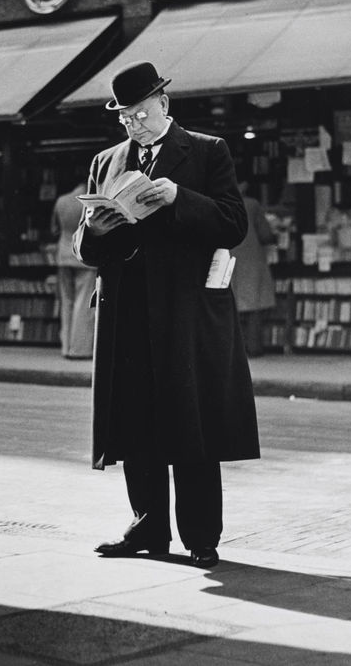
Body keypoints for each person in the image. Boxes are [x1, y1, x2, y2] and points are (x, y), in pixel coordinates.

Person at [73, 61, 260, 569]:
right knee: (136, 420)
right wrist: (98, 228)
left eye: (139, 114)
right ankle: (146, 528)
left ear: (163, 105)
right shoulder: (106, 161)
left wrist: (181, 197)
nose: (132, 124)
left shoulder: (205, 151)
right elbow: (85, 249)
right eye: (124, 118)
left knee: (192, 421)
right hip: (128, 310)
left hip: (185, 311)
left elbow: (233, 222)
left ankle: (201, 536)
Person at [50, 181, 96, 359]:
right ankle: (79, 348)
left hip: (63, 254)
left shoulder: (61, 201)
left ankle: (65, 346)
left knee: (67, 301)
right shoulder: (88, 200)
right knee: (83, 302)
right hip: (83, 255)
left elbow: (54, 228)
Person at [231, 182, 277, 357]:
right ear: (243, 184)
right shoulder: (252, 204)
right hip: (250, 258)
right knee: (254, 306)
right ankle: (254, 348)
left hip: (226, 259)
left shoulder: (216, 201)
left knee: (231, 307)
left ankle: (236, 351)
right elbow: (265, 234)